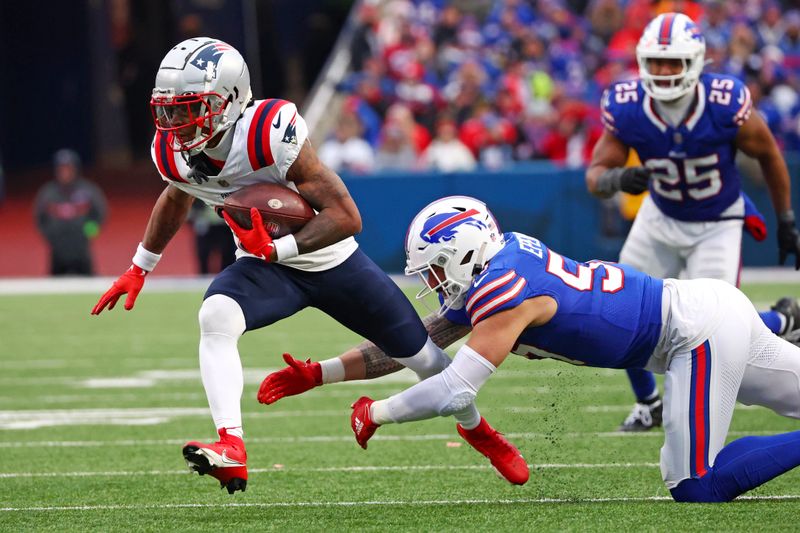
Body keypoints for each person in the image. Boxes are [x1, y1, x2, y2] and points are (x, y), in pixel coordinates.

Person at [89, 38, 526, 494]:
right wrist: (141, 266)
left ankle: (478, 431)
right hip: (265, 267)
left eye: (189, 108)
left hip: (332, 262)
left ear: (231, 99)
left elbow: (346, 217)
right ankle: (231, 445)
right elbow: (177, 195)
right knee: (214, 316)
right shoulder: (173, 151)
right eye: (170, 110)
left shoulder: (267, 131)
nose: (175, 123)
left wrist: (278, 249)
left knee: (430, 364)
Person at [349, 195, 800, 503]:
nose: (432, 283)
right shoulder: (505, 261)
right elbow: (410, 341)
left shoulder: (503, 287)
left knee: (693, 484)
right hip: (705, 309)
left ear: (464, 252)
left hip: (694, 334)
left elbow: (455, 391)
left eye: (434, 270)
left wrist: (377, 412)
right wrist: (322, 373)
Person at [585, 13, 800, 432]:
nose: (663, 72)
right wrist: (617, 178)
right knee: (619, 306)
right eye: (656, 62)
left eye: (674, 63)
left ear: (696, 62)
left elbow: (770, 154)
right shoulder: (628, 105)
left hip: (716, 221)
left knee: (716, 327)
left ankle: (781, 321)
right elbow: (595, 174)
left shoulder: (722, 102)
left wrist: (787, 218)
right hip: (660, 216)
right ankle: (648, 402)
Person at [34, 149, 107, 276]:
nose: (65, 173)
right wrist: (51, 234)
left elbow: (100, 212)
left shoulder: (88, 190)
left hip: (81, 250)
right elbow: (39, 217)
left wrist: (89, 230)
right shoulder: (48, 193)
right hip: (57, 252)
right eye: (62, 169)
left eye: (68, 169)